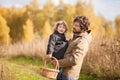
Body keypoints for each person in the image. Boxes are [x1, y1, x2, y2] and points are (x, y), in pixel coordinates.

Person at [51, 16, 92, 80]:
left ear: (83, 29)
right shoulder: (75, 37)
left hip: (69, 76)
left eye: (76, 25)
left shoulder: (83, 41)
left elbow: (75, 59)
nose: (74, 26)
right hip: (62, 71)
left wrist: (58, 62)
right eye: (74, 24)